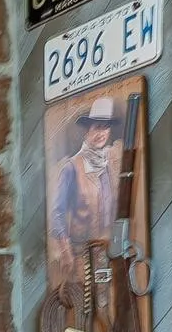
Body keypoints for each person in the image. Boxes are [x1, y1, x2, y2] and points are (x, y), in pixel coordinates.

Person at [50, 94, 120, 290]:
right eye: (97, 127)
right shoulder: (71, 167)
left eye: (105, 127)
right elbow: (57, 213)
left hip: (107, 253)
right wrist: (65, 251)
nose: (102, 133)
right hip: (80, 256)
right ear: (87, 130)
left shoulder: (108, 164)